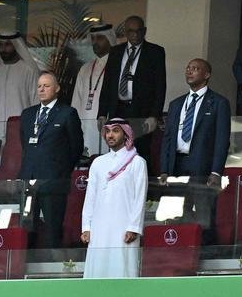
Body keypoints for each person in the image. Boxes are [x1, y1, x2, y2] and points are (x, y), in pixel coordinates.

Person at [159, 59, 231, 243]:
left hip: (202, 166)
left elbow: (222, 140)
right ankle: (181, 250)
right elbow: (167, 139)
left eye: (196, 69)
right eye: (188, 68)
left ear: (207, 75)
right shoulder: (176, 104)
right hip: (177, 164)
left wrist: (216, 171)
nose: (190, 72)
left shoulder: (218, 103)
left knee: (203, 212)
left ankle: (205, 252)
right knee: (179, 210)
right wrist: (164, 170)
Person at [19, 72, 83, 249]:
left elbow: (76, 147)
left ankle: (52, 267)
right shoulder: (28, 114)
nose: (41, 89)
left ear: (57, 89)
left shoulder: (67, 113)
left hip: (54, 182)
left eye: (46, 86)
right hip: (29, 181)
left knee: (53, 230)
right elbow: (25, 144)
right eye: (39, 86)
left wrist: (60, 171)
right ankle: (24, 268)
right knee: (27, 230)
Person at [81, 119, 145, 278]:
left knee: (122, 270)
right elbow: (90, 198)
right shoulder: (98, 163)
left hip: (124, 228)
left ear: (126, 134)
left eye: (116, 131)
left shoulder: (137, 162)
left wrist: (134, 227)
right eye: (107, 131)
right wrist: (86, 227)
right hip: (99, 227)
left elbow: (140, 198)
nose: (110, 135)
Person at [98, 16, 166, 167]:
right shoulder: (116, 52)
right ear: (125, 33)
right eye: (131, 31)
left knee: (139, 154)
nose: (135, 35)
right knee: (117, 153)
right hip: (118, 110)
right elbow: (107, 85)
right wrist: (102, 113)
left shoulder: (155, 52)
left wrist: (154, 115)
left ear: (144, 31)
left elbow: (160, 87)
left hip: (141, 112)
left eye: (138, 31)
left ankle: (139, 188)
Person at [0, 32, 40, 166]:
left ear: (16, 46)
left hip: (20, 128)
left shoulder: (29, 71)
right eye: (1, 45)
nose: (3, 49)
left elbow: (36, 102)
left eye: (8, 45)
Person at [71, 23, 115, 157]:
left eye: (100, 38)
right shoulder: (85, 68)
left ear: (110, 39)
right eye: (93, 39)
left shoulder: (117, 66)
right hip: (85, 128)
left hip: (107, 128)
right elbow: (76, 102)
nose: (95, 42)